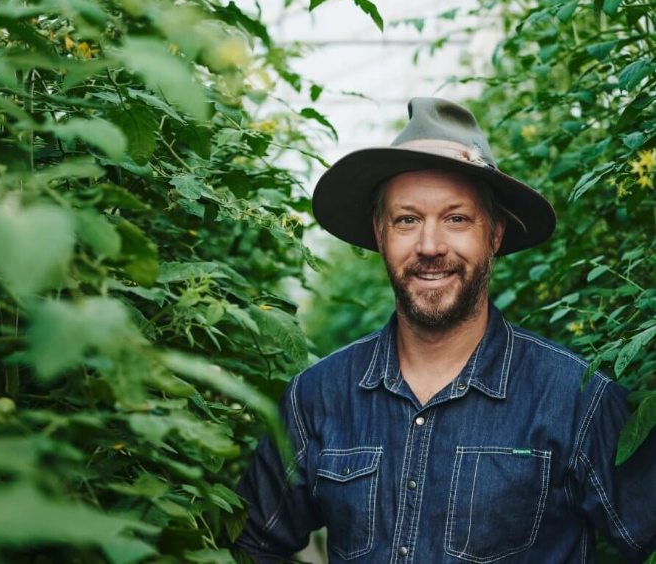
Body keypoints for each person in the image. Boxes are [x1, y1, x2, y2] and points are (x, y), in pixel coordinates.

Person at [234, 97, 656, 563]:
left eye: (456, 219)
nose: (430, 246)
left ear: (493, 235)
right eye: (407, 220)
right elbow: (253, 541)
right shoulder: (317, 397)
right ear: (380, 235)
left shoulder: (575, 399)